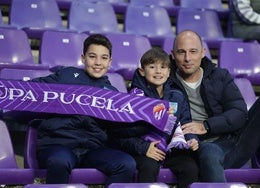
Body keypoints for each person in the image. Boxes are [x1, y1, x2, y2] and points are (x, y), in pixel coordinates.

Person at [32, 34, 136, 185]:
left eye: (104, 58)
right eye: (92, 56)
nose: (98, 63)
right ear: (83, 58)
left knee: (126, 163)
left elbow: (120, 130)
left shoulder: (112, 93)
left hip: (92, 150)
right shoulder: (65, 75)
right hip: (58, 145)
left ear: (110, 62)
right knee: (60, 161)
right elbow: (29, 91)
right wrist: (0, 90)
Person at [170, 29, 260, 182]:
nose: (187, 58)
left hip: (233, 139)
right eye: (181, 52)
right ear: (173, 54)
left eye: (193, 51)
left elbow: (239, 112)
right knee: (210, 151)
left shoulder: (219, 75)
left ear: (203, 52)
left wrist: (206, 125)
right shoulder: (165, 81)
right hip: (199, 146)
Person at [112, 47, 199, 188]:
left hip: (170, 150)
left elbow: (186, 124)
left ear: (169, 72)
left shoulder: (177, 97)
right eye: (152, 67)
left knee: (190, 167)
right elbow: (121, 133)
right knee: (149, 167)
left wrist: (191, 139)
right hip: (143, 150)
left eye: (163, 67)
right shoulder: (133, 98)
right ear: (142, 71)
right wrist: (144, 148)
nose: (158, 71)